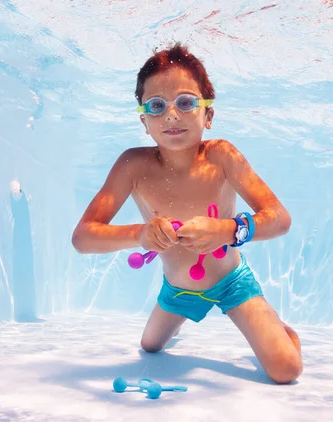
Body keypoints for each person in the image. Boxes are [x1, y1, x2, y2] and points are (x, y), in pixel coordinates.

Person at [72, 43, 302, 384]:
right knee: (149, 347)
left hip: (231, 283)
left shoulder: (222, 156)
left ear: (208, 114)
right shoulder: (132, 165)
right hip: (176, 290)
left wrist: (228, 230)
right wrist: (139, 234)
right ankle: (182, 316)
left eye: (185, 102)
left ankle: (281, 331)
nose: (171, 115)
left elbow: (279, 218)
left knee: (286, 370)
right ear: (144, 121)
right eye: (156, 106)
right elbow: (83, 237)